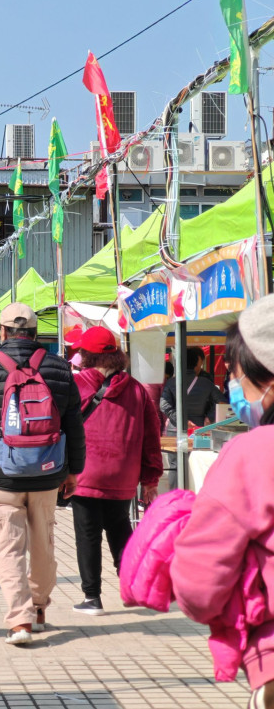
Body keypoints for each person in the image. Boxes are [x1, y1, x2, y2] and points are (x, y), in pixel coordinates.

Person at [0, 302, 85, 645]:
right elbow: (74, 424)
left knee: (8, 549)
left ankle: (20, 621)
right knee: (44, 545)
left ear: (3, 332)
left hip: (2, 475)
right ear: (36, 333)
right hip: (47, 472)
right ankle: (39, 609)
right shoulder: (57, 366)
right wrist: (74, 471)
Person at [171, 294, 274, 708]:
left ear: (265, 378)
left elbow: (200, 582)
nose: (234, 387)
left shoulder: (252, 455)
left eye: (236, 375)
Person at [71, 326, 162, 616]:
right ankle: (132, 590)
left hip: (86, 473)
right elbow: (152, 437)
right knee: (120, 529)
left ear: (86, 355)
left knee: (88, 534)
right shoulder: (136, 389)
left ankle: (92, 598)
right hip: (124, 474)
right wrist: (150, 478)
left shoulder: (79, 384)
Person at [160, 346, 225, 488]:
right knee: (197, 466)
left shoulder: (171, 382)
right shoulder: (205, 383)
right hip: (199, 430)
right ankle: (194, 500)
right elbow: (222, 402)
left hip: (174, 430)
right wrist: (210, 416)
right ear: (197, 363)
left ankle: (175, 500)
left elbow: (163, 405)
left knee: (175, 467)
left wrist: (180, 419)